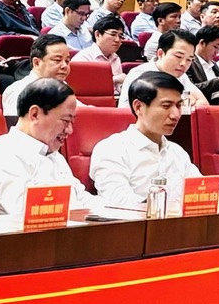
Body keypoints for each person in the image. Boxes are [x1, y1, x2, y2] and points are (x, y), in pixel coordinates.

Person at [0, 77, 93, 220]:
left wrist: (112, 212)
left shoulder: (54, 155)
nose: (69, 130)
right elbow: (30, 212)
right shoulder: (5, 155)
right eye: (65, 121)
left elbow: (82, 197)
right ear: (35, 114)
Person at [86, 71, 200, 215]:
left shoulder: (177, 152)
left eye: (178, 106)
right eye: (166, 106)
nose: (176, 115)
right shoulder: (112, 149)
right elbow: (119, 201)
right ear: (138, 107)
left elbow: (200, 192)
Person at [2, 34, 73, 119]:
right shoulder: (18, 91)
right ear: (37, 63)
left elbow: (82, 112)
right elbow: (18, 124)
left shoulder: (62, 87)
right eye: (57, 60)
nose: (65, 66)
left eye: (67, 61)